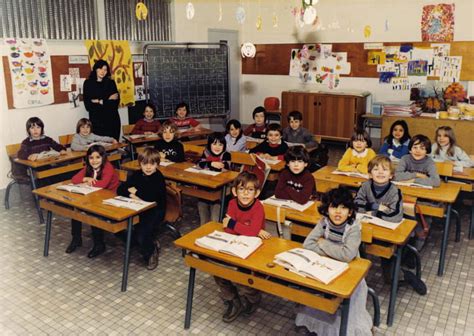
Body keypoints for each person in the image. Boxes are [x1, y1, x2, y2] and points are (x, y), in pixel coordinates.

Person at [295, 186, 372, 335]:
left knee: (342, 305)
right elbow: (308, 244)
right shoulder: (324, 222)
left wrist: (323, 244)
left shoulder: (353, 228)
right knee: (315, 292)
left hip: (350, 272)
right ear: (326, 209)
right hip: (327, 267)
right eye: (334, 207)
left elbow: (347, 255)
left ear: (350, 212)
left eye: (343, 208)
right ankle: (317, 327)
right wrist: (335, 253)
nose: (338, 212)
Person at [215, 171, 271, 323]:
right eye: (241, 189)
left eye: (250, 190)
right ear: (234, 191)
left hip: (253, 248)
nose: (245, 193)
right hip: (233, 244)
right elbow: (227, 230)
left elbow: (250, 233)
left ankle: (253, 298)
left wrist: (235, 224)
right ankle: (233, 299)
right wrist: (249, 228)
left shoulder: (258, 207)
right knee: (217, 270)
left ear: (257, 193)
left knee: (243, 278)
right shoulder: (232, 203)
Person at [65, 145, 119, 257]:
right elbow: (74, 179)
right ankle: (76, 239)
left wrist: (88, 183)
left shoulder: (108, 167)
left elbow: (103, 184)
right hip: (95, 195)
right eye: (91, 158)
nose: (94, 161)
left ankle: (99, 244)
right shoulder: (89, 167)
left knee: (93, 211)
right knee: (75, 207)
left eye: (97, 157)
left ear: (103, 157)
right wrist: (86, 178)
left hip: (110, 198)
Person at [117, 148, 166, 270]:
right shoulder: (137, 174)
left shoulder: (158, 177)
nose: (148, 167)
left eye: (152, 164)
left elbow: (151, 197)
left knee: (142, 233)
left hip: (155, 211)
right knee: (117, 226)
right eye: (145, 164)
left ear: (157, 164)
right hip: (136, 208)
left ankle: (150, 251)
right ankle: (142, 241)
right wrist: (133, 195)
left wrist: (136, 191)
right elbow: (121, 189)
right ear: (140, 164)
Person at [354, 155, 403, 222]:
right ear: (370, 174)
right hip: (366, 222)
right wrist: (375, 206)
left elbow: (396, 216)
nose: (380, 172)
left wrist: (374, 213)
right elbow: (355, 204)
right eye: (376, 169)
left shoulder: (395, 191)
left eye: (385, 169)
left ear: (391, 175)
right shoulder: (365, 186)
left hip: (384, 224)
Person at [197, 132, 231, 224]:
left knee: (214, 216)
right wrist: (211, 164)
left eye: (220, 144)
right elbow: (199, 164)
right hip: (206, 187)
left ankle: (214, 226)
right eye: (214, 144)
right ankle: (203, 226)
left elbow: (224, 167)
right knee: (202, 205)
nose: (217, 147)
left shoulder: (226, 154)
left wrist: (209, 165)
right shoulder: (206, 152)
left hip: (221, 189)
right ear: (209, 144)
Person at [83, 60, 121, 140]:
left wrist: (99, 101)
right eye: (100, 69)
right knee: (100, 148)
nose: (102, 71)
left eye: (105, 70)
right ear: (95, 69)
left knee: (114, 148)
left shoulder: (111, 83)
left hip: (112, 121)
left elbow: (115, 104)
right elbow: (88, 106)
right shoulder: (88, 84)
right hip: (97, 122)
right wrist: (108, 99)